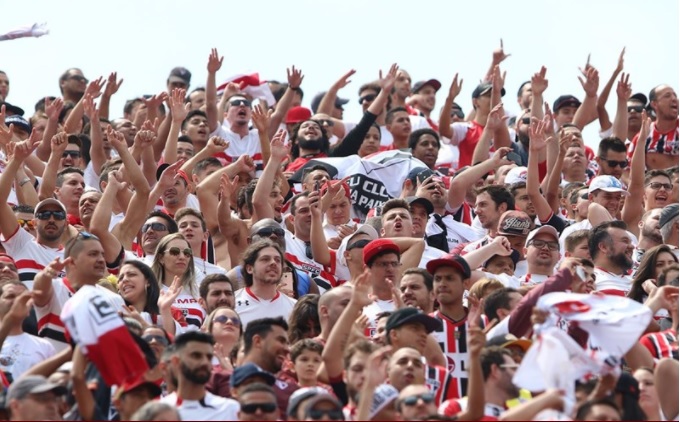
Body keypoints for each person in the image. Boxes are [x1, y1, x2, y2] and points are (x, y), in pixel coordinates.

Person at [161, 331, 239, 420]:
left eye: (209, 357)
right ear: (176, 361)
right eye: (196, 356)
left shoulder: (230, 410)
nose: (205, 362)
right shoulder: (157, 412)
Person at [234, 240, 297, 328]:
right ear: (249, 268)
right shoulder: (232, 303)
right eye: (265, 259)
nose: (273, 263)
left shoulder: (294, 307)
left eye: (278, 260)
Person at [150, 233, 203, 328]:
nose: (182, 257)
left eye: (187, 253)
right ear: (161, 258)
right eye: (175, 252)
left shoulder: (200, 292)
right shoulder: (149, 292)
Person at [589, 221, 635, 296]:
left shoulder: (637, 283)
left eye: (631, 242)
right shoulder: (588, 281)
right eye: (625, 241)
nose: (632, 247)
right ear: (603, 247)